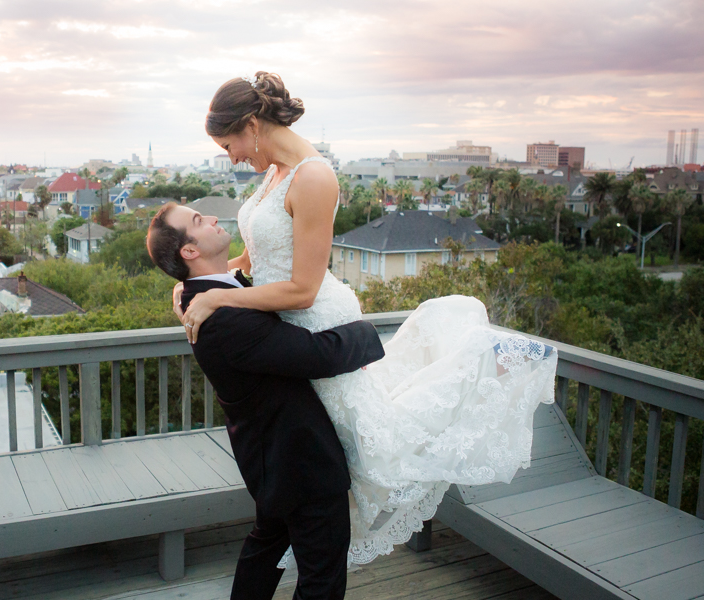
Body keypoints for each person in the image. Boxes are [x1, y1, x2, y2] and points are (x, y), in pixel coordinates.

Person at [177, 71, 559, 568]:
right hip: (287, 317)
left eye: (229, 144)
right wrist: (200, 286)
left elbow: (302, 288)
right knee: (343, 446)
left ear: (251, 124)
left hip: (314, 316)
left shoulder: (314, 176)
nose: (231, 158)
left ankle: (486, 358)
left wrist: (219, 302)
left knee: (380, 440)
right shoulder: (273, 171)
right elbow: (255, 257)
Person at [146, 202, 386, 599]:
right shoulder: (223, 320)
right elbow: (318, 355)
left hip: (272, 456)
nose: (210, 219)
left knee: (267, 545)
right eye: (197, 221)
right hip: (298, 460)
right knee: (321, 576)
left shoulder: (214, 293)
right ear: (189, 251)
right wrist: (367, 331)